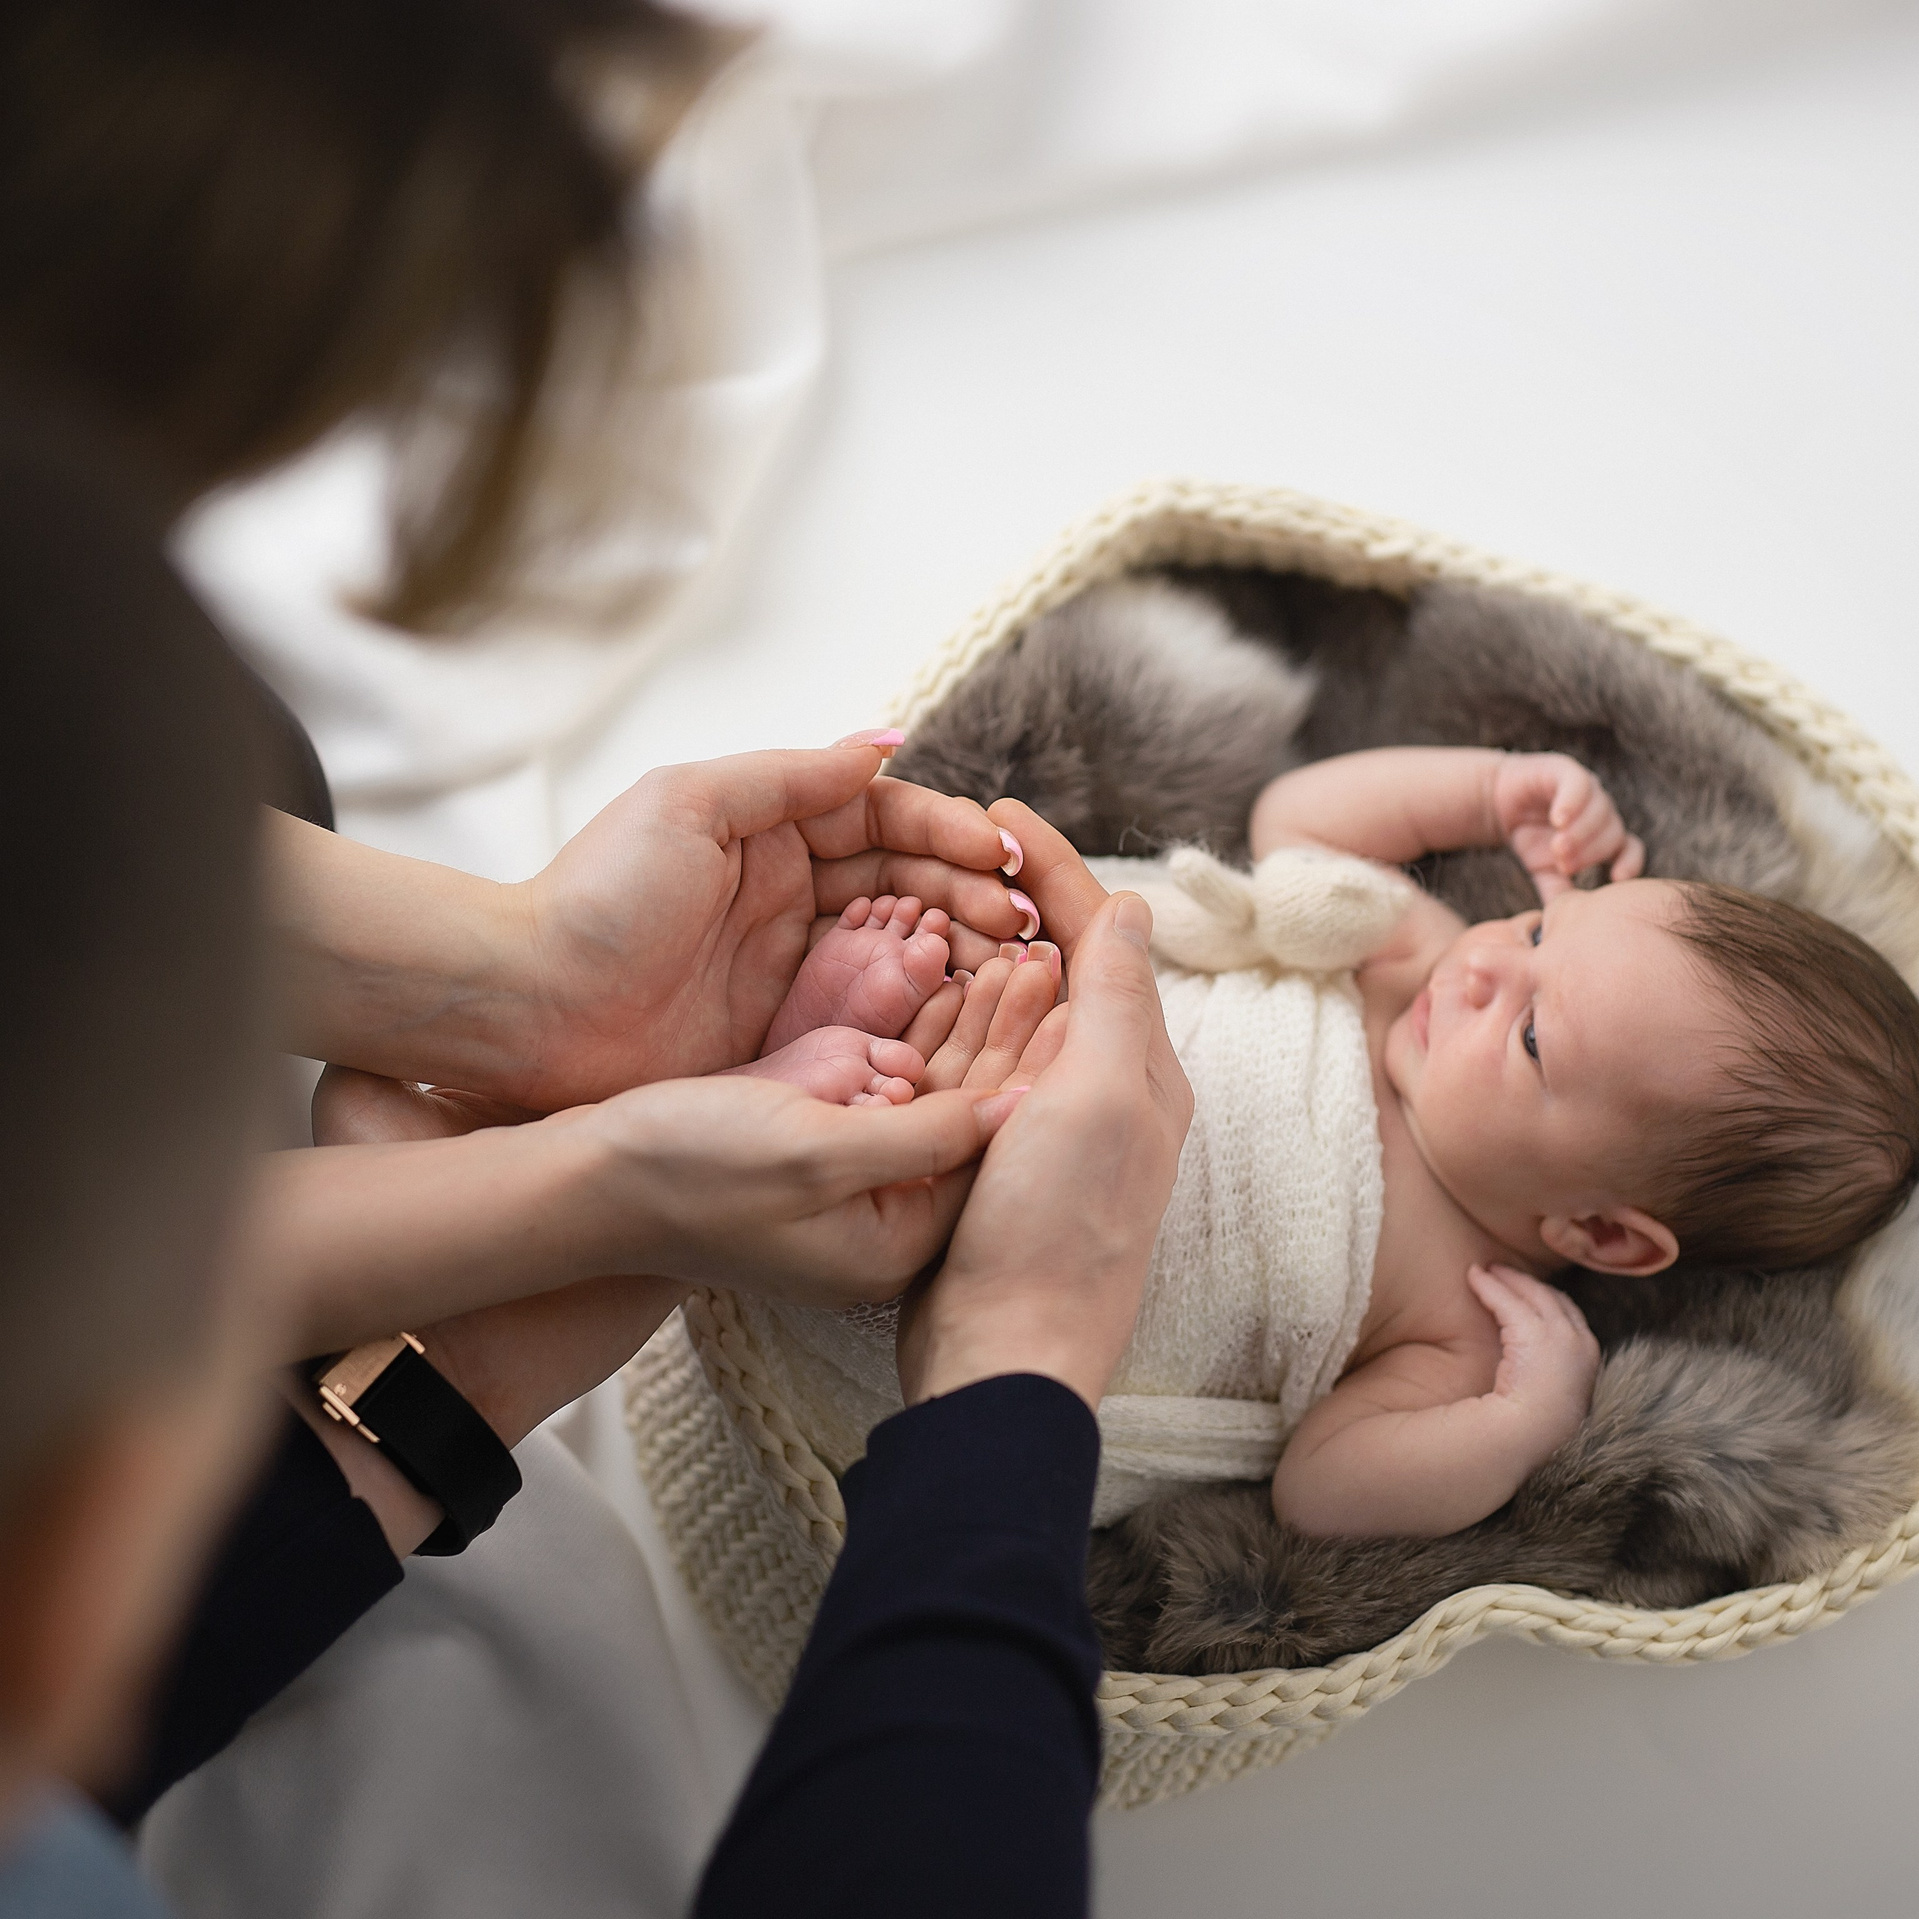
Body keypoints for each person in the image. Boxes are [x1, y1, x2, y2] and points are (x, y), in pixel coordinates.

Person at [727, 740, 1919, 1547]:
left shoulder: (1465, 1320)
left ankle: (825, 1078)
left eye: (1532, 1035)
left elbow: (1323, 1486)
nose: (1485, 965)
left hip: (1004, 1268)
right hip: (1038, 1036)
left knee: (920, 1197)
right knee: (990, 970)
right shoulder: (1414, 960)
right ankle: (841, 1041)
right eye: (1533, 927)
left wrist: (1519, 1420)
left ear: (1599, 1231)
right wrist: (1488, 788)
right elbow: (1295, 823)